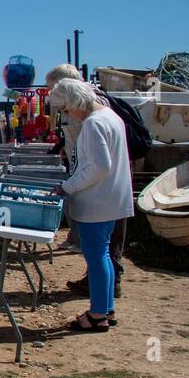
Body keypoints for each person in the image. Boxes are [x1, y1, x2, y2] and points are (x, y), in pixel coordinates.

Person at [49, 79, 133, 332]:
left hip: (97, 202)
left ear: (72, 102)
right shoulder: (110, 116)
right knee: (103, 256)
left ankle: (97, 314)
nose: (67, 115)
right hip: (112, 199)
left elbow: (98, 166)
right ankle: (106, 308)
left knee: (96, 259)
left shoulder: (94, 124)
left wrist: (67, 186)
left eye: (65, 109)